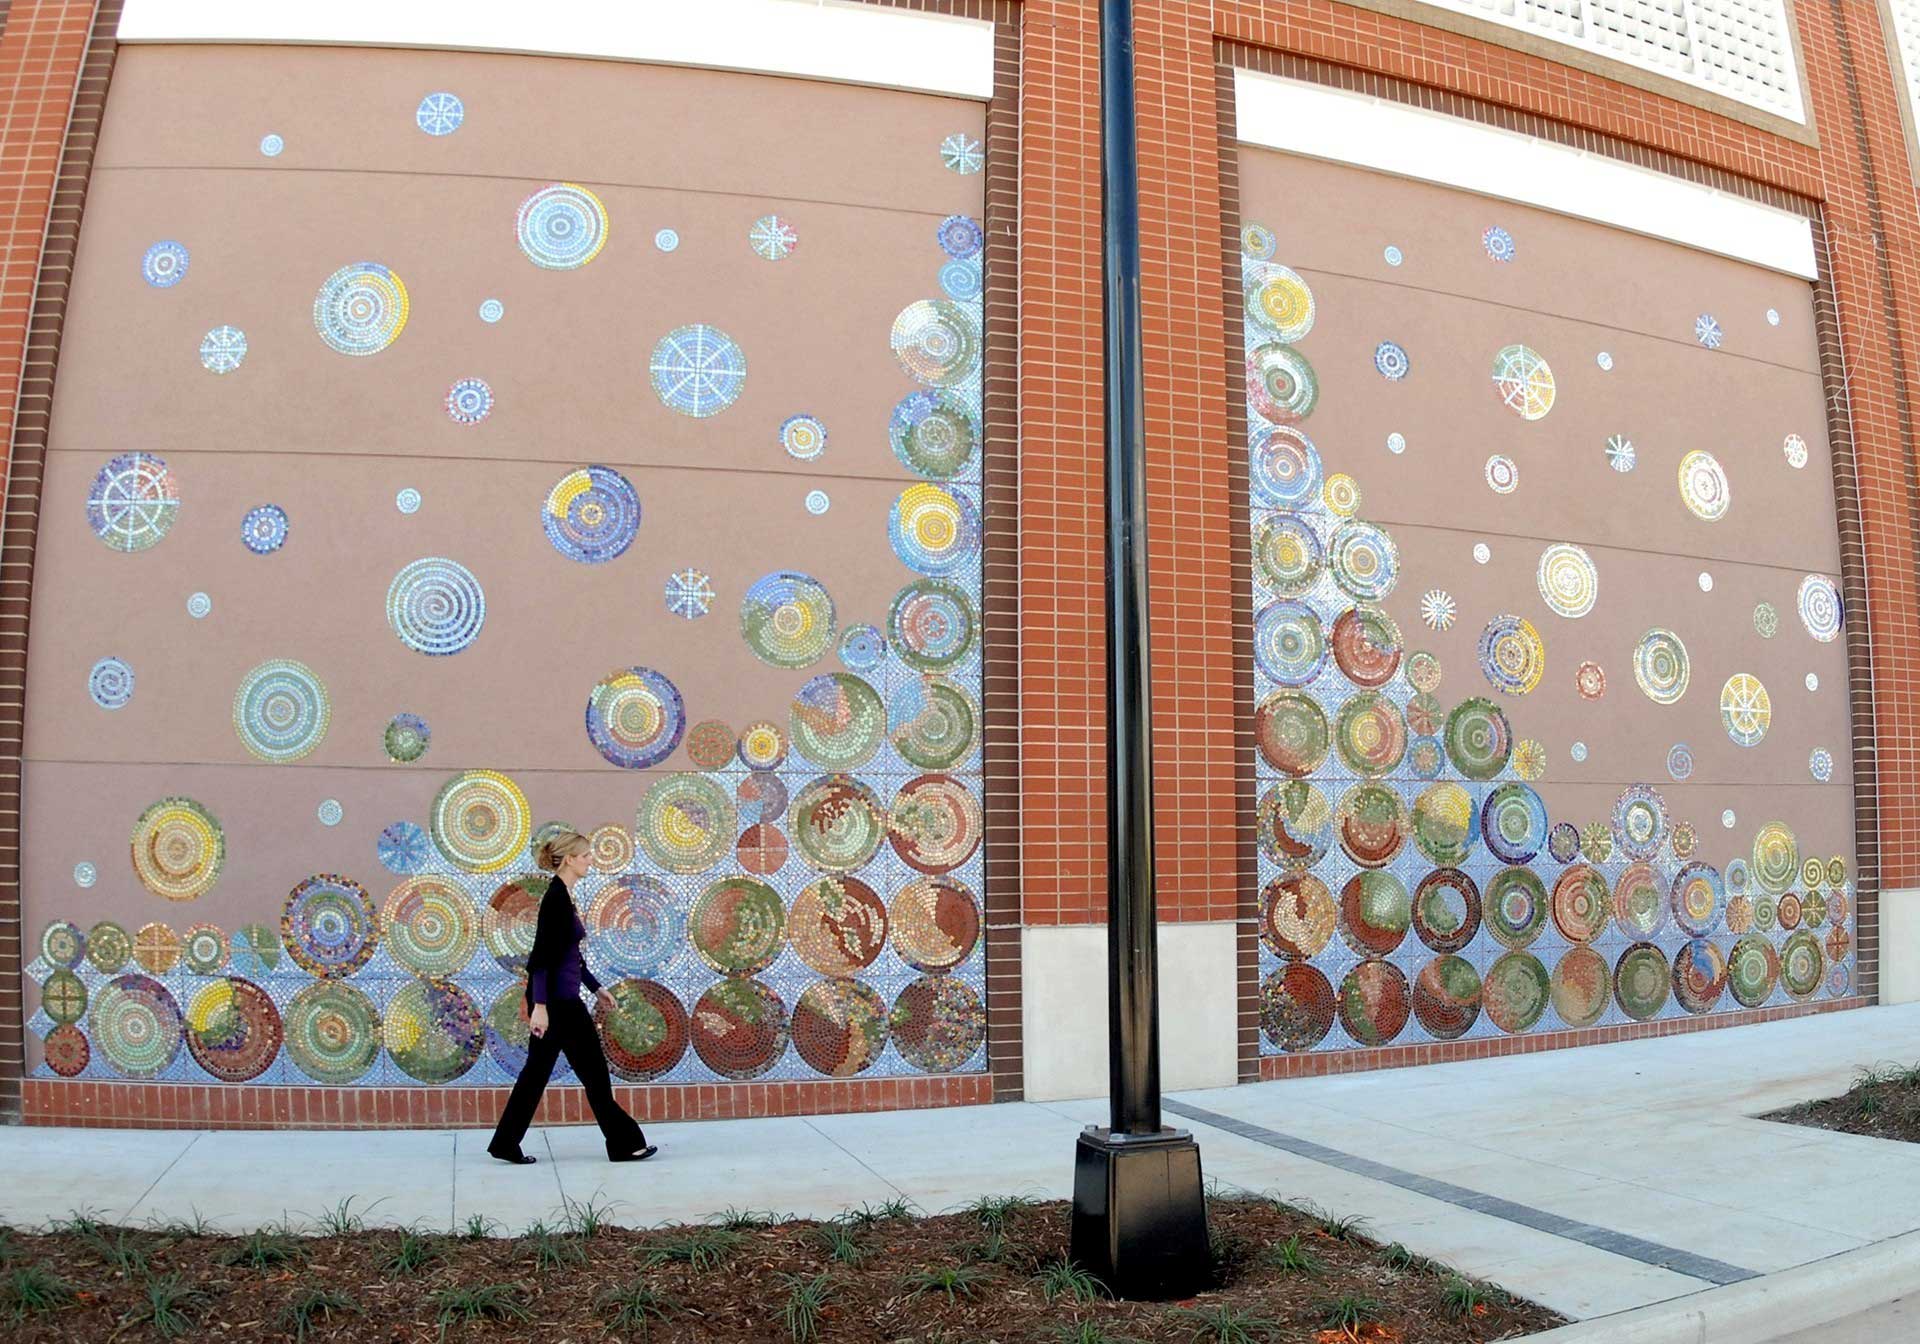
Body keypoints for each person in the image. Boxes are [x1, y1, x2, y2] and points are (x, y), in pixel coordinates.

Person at [487, 829, 656, 1165]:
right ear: (569, 860)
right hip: (559, 1007)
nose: (591, 860)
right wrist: (539, 1007)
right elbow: (540, 960)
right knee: (593, 1076)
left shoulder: (563, 897)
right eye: (586, 855)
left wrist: (595, 987)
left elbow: (570, 956)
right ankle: (624, 1143)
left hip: (561, 1003)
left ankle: (505, 1142)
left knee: (536, 1076)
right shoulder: (555, 901)